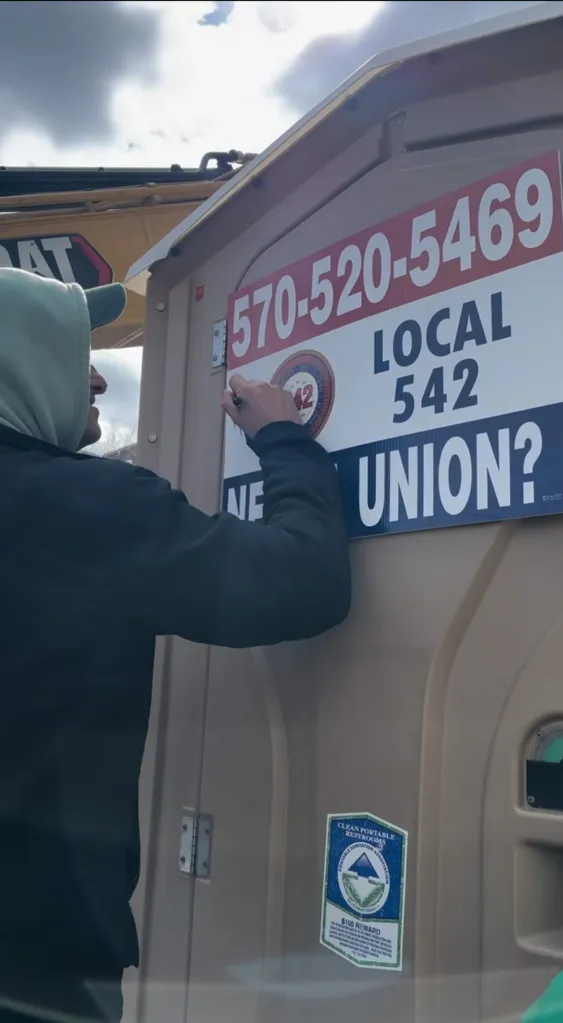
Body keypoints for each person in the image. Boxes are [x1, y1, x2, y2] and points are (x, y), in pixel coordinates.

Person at [0, 268, 351, 1022]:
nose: (95, 375)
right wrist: (284, 440)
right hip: (31, 970)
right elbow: (304, 580)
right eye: (73, 348)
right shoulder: (85, 509)